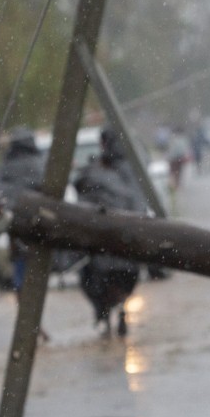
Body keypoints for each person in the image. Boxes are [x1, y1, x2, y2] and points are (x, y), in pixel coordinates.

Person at [74, 130, 149, 337]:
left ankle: (103, 313)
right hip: (128, 252)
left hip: (104, 255)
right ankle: (116, 309)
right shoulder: (135, 170)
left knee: (90, 278)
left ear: (104, 144)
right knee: (120, 281)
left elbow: (83, 205)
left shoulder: (96, 172)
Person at [0, 128, 45, 291]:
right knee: (36, 256)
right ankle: (33, 287)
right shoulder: (40, 164)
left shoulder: (6, 166)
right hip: (37, 223)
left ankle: (20, 286)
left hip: (14, 224)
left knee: (20, 260)